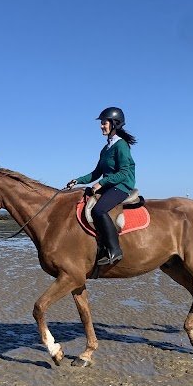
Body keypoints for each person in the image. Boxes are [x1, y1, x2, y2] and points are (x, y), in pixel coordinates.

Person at [66, 107, 136, 266]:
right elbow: (96, 172)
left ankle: (114, 250)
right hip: (110, 185)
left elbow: (124, 172)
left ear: (114, 124)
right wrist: (77, 181)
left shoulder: (121, 145)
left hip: (122, 186)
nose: (101, 126)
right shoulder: (105, 149)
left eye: (104, 122)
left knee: (98, 210)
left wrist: (102, 183)